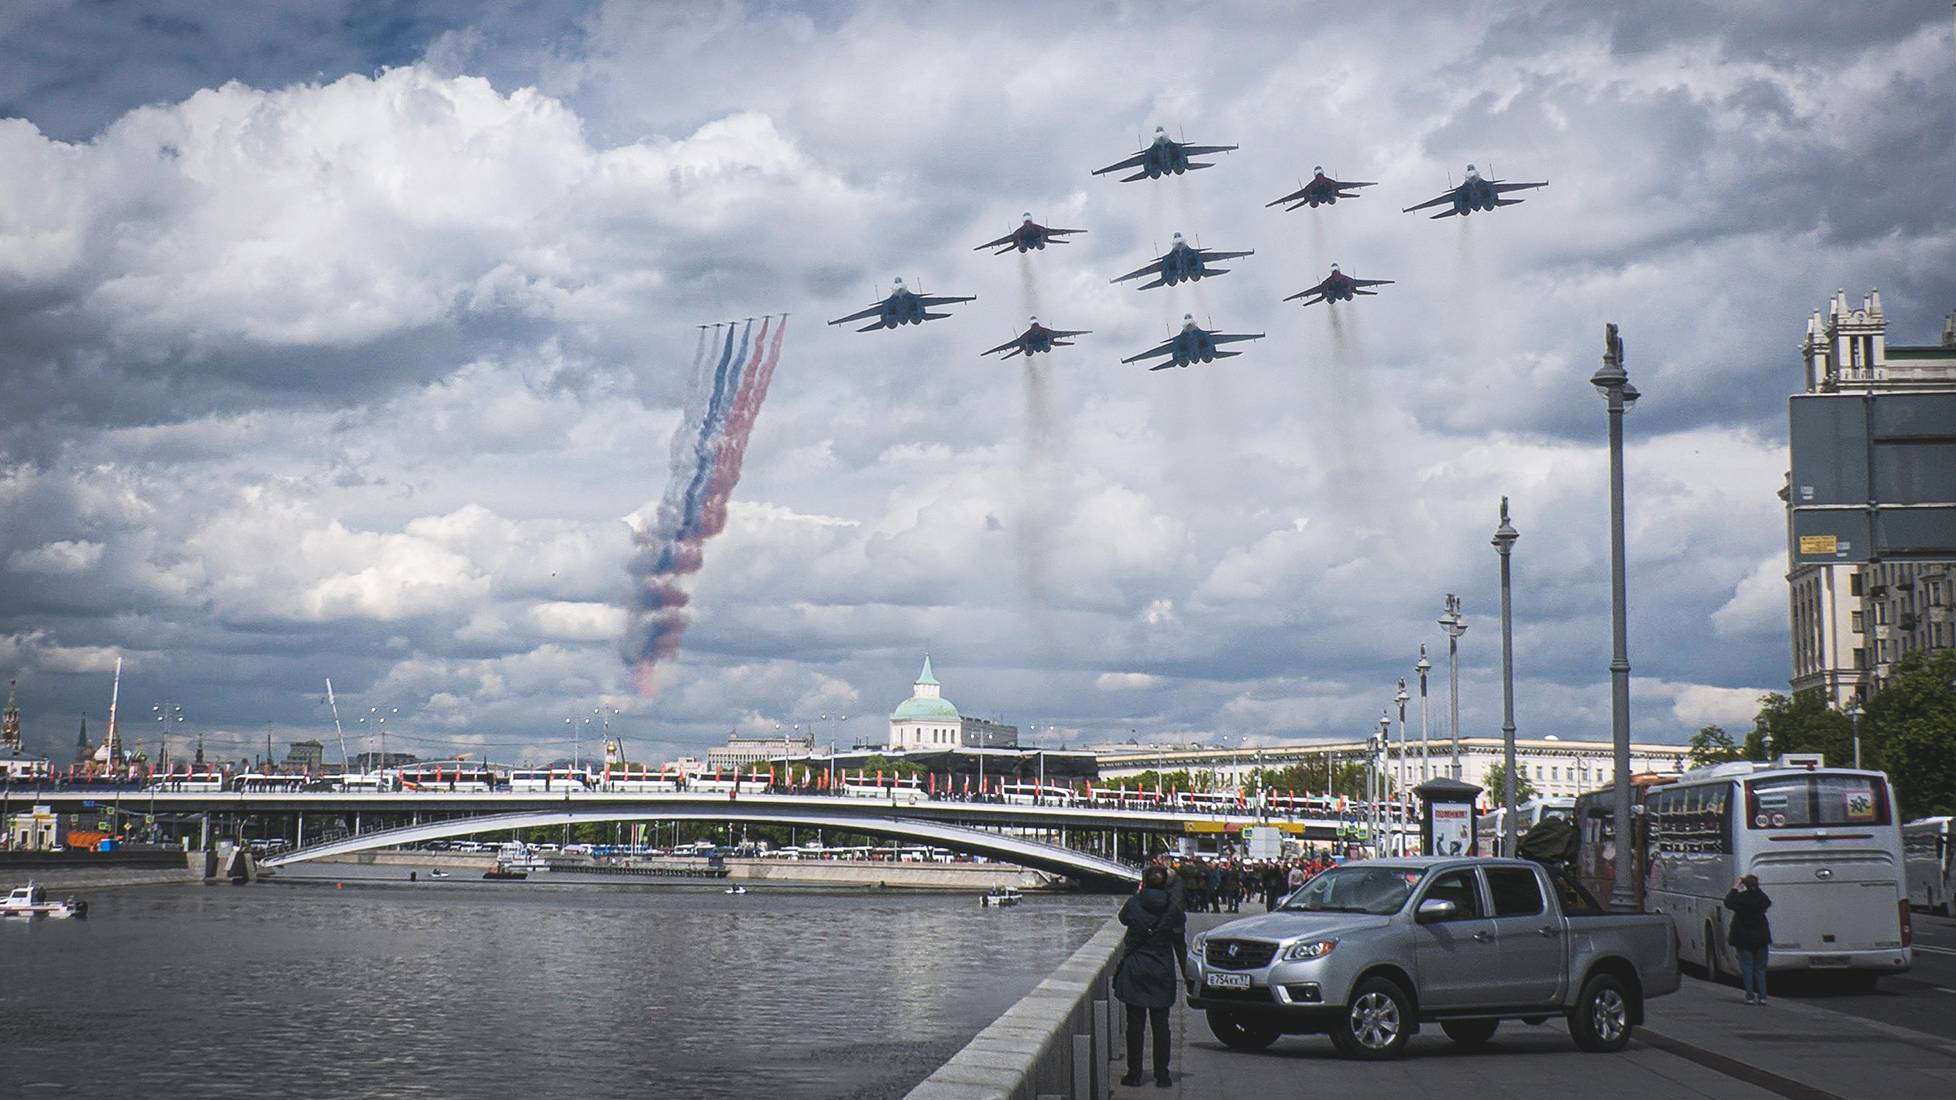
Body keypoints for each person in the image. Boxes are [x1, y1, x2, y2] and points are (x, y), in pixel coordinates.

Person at [1114, 864, 1188, 1089]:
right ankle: (1162, 1076)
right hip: (1161, 970)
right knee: (1161, 1025)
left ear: (1144, 881)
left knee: (1135, 1025)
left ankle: (1134, 1074)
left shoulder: (1134, 903)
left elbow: (1123, 919)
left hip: (1136, 969)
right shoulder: (1172, 908)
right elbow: (1180, 932)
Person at [1724, 874, 1773, 1005]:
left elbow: (1728, 902)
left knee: (1747, 967)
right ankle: (1763, 996)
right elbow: (1767, 902)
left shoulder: (1741, 898)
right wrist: (1756, 888)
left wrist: (1735, 887)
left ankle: (1750, 996)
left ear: (1744, 885)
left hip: (1744, 937)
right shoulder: (1762, 898)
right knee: (1760, 969)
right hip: (1761, 937)